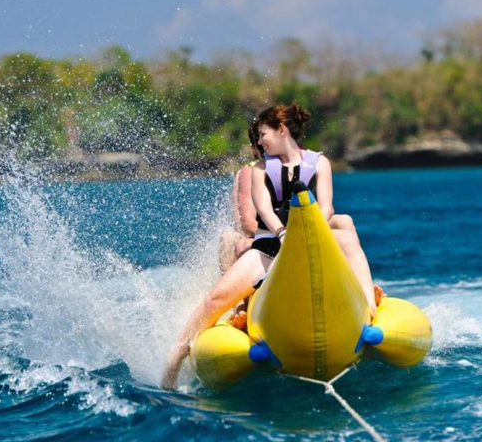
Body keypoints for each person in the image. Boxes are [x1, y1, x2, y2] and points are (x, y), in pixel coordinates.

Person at [161, 103, 377, 389]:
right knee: (215, 300)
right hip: (272, 244)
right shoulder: (261, 169)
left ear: (282, 130)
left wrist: (307, 231)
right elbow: (263, 209)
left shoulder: (320, 163)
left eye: (263, 134)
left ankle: (370, 306)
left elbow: (325, 207)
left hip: (314, 237)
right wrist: (283, 232)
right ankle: (176, 354)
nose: (259, 142)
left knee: (347, 234)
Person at [218, 122, 263, 272]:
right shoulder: (248, 172)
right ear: (254, 150)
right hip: (254, 236)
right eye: (261, 146)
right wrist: (281, 234)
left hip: (283, 233)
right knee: (229, 239)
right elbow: (247, 224)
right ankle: (231, 291)